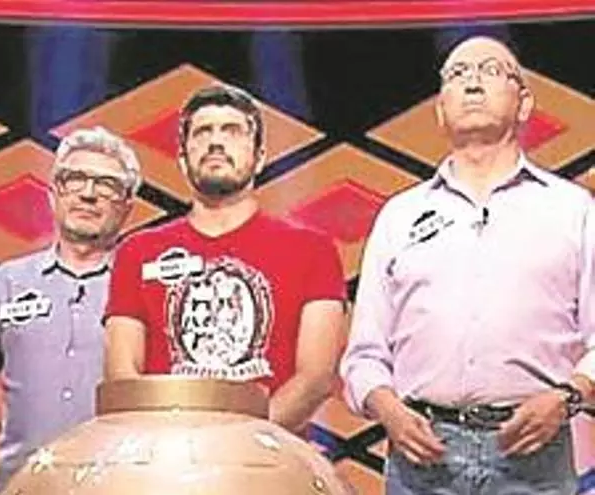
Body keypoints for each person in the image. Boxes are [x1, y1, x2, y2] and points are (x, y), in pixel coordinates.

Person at [340, 35, 595, 494]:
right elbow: (364, 355)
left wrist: (568, 396)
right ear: (440, 111)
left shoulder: (573, 210)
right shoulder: (400, 215)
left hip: (533, 452)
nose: (473, 82)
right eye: (458, 74)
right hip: (422, 457)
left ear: (524, 104)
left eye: (491, 70)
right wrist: (388, 409)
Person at [102, 85, 347, 432]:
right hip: (165, 454)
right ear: (183, 159)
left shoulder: (313, 250)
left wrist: (236, 444)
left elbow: (315, 378)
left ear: (259, 157)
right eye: (203, 132)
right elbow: (123, 376)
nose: (216, 142)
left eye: (232, 131)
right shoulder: (137, 252)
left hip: (268, 456)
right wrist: (175, 448)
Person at [0, 127, 140, 494]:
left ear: (127, 206)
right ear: (53, 193)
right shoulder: (5, 283)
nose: (88, 194)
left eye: (107, 184)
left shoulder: (141, 287)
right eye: (74, 179)